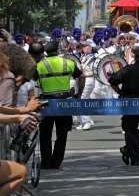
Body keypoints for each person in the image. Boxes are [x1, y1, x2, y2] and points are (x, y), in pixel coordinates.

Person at [32, 40, 84, 169]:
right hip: (64, 102)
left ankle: (46, 162)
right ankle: (57, 162)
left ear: (46, 52)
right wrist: (79, 94)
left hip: (46, 102)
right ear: (58, 50)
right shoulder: (68, 62)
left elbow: (32, 80)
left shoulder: (39, 65)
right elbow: (81, 76)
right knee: (62, 134)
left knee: (45, 134)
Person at [76, 40, 96, 130]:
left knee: (83, 100)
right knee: (81, 100)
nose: (83, 47)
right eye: (83, 46)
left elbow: (95, 71)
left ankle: (87, 122)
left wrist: (85, 75)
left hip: (88, 80)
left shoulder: (92, 58)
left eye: (85, 46)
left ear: (90, 47)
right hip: (82, 80)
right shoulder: (83, 57)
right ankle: (83, 121)